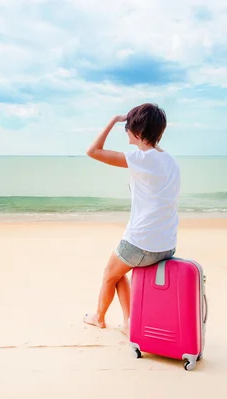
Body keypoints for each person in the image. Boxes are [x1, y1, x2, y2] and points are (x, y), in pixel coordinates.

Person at [83, 103, 181, 336]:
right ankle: (129, 322)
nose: (125, 131)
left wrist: (114, 119)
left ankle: (99, 317)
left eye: (126, 127)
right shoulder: (169, 160)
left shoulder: (142, 158)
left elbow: (93, 151)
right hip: (166, 244)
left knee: (110, 274)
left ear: (137, 131)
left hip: (142, 242)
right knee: (119, 271)